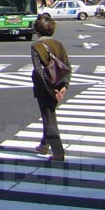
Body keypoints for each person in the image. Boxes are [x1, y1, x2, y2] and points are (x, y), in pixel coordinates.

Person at [31, 12, 71, 162]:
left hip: (45, 87)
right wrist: (64, 87)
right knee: (49, 113)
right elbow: (67, 66)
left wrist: (49, 89)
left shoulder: (36, 46)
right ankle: (44, 144)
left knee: (49, 118)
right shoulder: (58, 44)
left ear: (37, 30)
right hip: (59, 84)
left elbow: (39, 71)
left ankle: (58, 152)